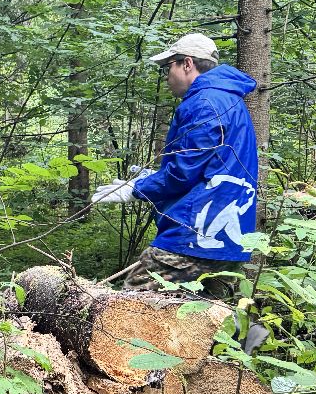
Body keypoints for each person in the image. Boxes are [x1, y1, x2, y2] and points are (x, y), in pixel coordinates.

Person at [92, 32, 259, 299]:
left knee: (133, 303)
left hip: (197, 233)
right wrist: (152, 177)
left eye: (168, 67)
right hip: (227, 237)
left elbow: (184, 173)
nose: (166, 75)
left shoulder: (204, 103)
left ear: (187, 64)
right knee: (204, 320)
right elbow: (208, 165)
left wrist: (137, 188)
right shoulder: (228, 100)